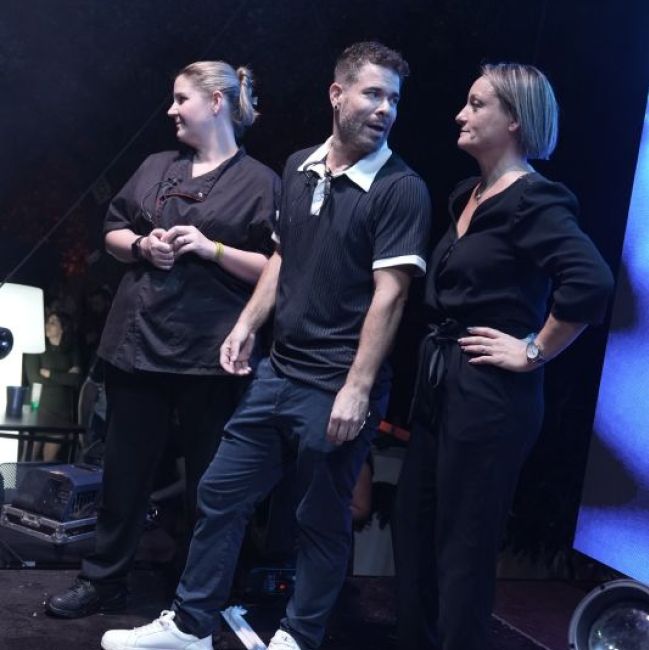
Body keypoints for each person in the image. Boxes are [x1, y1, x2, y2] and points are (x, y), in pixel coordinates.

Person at [100, 41, 431, 650]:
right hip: (280, 371)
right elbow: (283, 259)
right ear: (337, 94)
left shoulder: (401, 188)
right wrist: (247, 325)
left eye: (393, 99)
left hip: (337, 380)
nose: (385, 109)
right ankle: (192, 626)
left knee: (319, 517)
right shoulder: (301, 166)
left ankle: (298, 637)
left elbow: (392, 295)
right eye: (372, 94)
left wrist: (358, 387)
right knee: (220, 493)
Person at [46, 60, 279, 618]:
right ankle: (104, 581)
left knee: (209, 484)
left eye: (181, 99)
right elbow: (111, 230)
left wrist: (210, 248)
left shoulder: (261, 182)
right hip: (138, 344)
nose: (172, 110)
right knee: (123, 477)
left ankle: (198, 592)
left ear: (216, 102)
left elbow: (277, 268)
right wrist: (142, 246)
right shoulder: (156, 166)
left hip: (212, 353)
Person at [392, 63, 614, 650]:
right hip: (441, 381)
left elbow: (590, 282)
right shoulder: (466, 196)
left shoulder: (534, 199)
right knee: (414, 533)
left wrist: (533, 350)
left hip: (489, 394)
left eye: (476, 104)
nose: (460, 115)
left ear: (514, 119)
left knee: (463, 549)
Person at [23, 310, 82, 461]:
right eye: (47, 322)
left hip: (61, 412)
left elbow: (76, 380)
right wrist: (65, 377)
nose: (47, 325)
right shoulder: (36, 348)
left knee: (49, 462)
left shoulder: (71, 351)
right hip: (37, 410)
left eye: (53, 322)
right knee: (28, 457)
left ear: (62, 328)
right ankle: (17, 479)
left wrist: (49, 373)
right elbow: (34, 378)